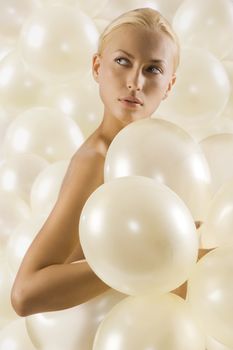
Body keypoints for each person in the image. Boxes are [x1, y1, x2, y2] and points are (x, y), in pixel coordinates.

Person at [11, 7, 209, 317]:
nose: (135, 82)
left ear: (170, 85)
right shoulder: (96, 160)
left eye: (153, 69)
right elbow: (25, 294)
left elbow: (162, 276)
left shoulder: (167, 158)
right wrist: (134, 256)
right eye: (122, 61)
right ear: (96, 67)